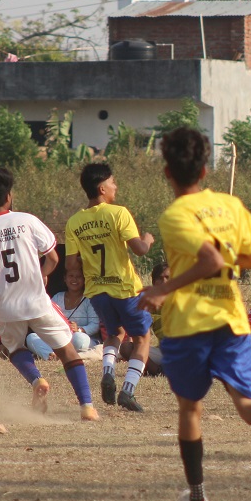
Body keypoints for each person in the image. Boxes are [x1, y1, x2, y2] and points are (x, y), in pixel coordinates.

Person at [138, 127, 251, 501]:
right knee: (250, 407)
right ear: (204, 171)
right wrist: (227, 249)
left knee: (190, 410)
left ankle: (198, 497)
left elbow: (210, 261)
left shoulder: (174, 215)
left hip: (189, 324)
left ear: (168, 172)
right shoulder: (230, 206)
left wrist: (165, 288)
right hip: (232, 319)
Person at [0, 168, 99, 421]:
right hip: (36, 302)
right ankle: (87, 407)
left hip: (4, 307)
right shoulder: (27, 220)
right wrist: (41, 274)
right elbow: (52, 257)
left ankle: (37, 379)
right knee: (67, 351)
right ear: (9, 196)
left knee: (14, 348)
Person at [65, 161, 156, 412]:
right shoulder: (118, 213)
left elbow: (71, 262)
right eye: (112, 182)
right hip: (125, 289)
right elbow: (139, 249)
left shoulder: (75, 221)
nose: (116, 186)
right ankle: (127, 391)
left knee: (114, 333)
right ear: (102, 188)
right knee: (142, 337)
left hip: (97, 290)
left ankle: (108, 371)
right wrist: (147, 240)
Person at [50, 263, 99, 353]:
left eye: (78, 276)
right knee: (32, 337)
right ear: (65, 278)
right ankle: (51, 355)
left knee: (79, 338)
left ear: (84, 279)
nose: (74, 279)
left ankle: (60, 354)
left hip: (83, 338)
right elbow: (49, 318)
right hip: (61, 338)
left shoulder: (89, 299)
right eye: (71, 276)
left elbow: (95, 325)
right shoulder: (57, 297)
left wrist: (79, 329)